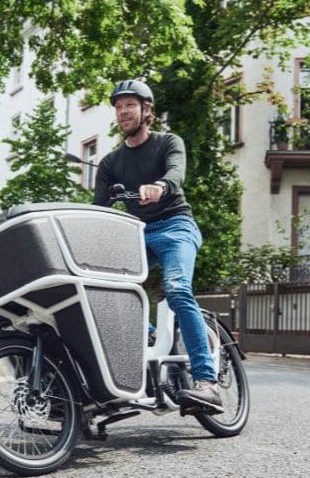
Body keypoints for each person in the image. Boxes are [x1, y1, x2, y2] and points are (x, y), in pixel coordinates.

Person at [92, 79, 222, 413]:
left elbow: (176, 173)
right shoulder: (110, 163)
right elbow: (98, 210)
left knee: (177, 290)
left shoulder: (168, 142)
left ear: (146, 109)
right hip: (137, 234)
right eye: (119, 107)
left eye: (130, 105)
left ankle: (207, 382)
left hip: (176, 226)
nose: (123, 112)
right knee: (103, 289)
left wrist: (160, 186)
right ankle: (150, 335)